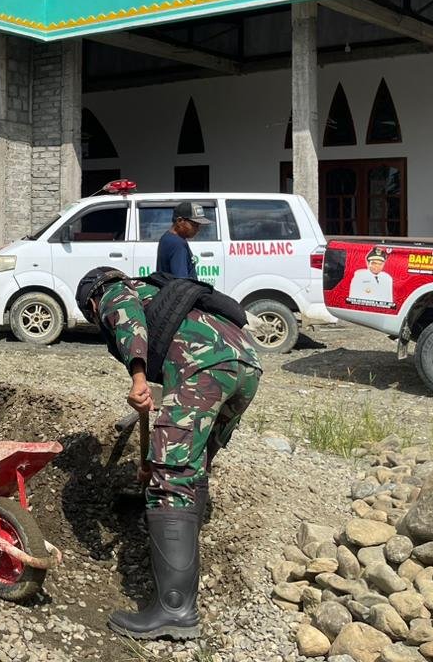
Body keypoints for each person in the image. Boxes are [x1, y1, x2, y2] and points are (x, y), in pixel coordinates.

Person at [77, 266, 261, 642]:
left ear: (91, 303)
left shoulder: (112, 292)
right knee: (192, 463)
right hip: (245, 367)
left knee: (172, 478)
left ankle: (174, 610)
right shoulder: (156, 291)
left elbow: (127, 320)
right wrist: (154, 459)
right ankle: (184, 548)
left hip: (205, 367)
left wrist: (138, 378)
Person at [156, 201, 210, 279]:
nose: (198, 229)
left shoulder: (166, 237)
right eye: (194, 225)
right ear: (179, 221)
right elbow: (181, 280)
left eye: (199, 225)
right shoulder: (178, 244)